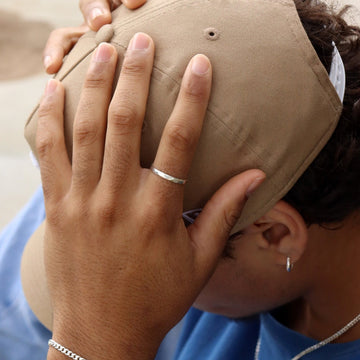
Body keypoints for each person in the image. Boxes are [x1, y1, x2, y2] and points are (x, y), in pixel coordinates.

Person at [1, 1, 360, 360]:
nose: (93, 258)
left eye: (134, 256)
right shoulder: (112, 196)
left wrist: (94, 344)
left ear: (274, 234)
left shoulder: (155, 203)